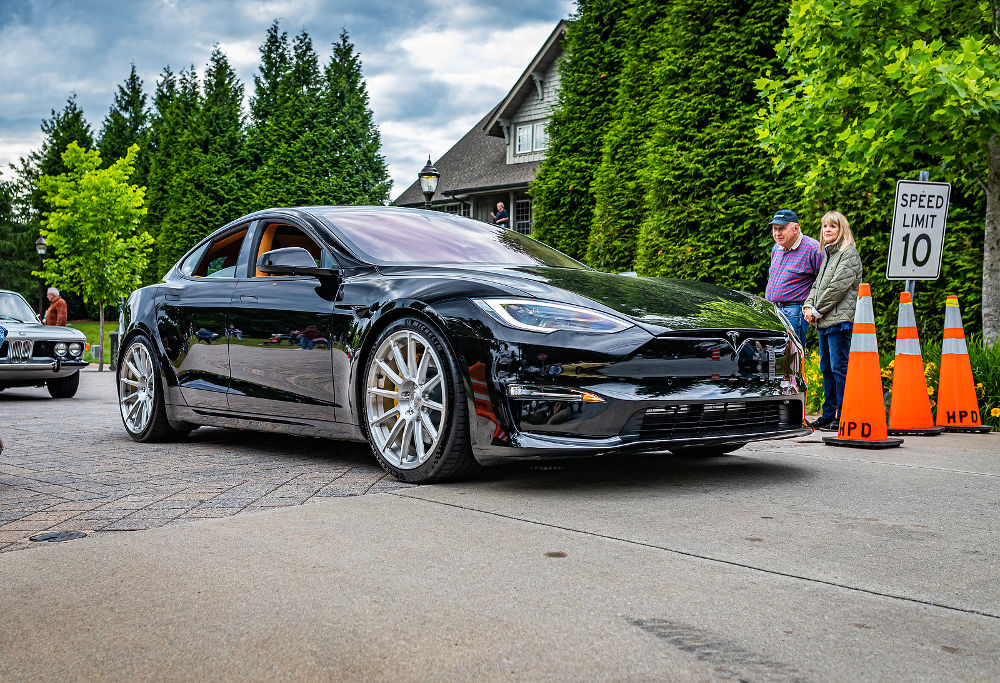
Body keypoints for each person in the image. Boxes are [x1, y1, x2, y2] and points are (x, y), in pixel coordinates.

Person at [803, 211, 863, 430]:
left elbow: (837, 288)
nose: (827, 230)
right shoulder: (828, 255)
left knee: (839, 369)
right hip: (824, 321)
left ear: (842, 229)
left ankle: (843, 415)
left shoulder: (849, 254)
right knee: (826, 368)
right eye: (824, 227)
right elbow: (817, 286)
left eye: (832, 226)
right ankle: (828, 415)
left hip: (840, 321)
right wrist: (808, 306)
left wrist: (816, 310)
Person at [764, 209, 822, 348]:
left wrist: (813, 309)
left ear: (796, 228)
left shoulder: (813, 249)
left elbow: (823, 282)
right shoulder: (776, 248)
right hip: (772, 310)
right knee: (772, 355)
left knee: (791, 356)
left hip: (794, 312)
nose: (777, 233)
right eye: (775, 229)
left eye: (782, 229)